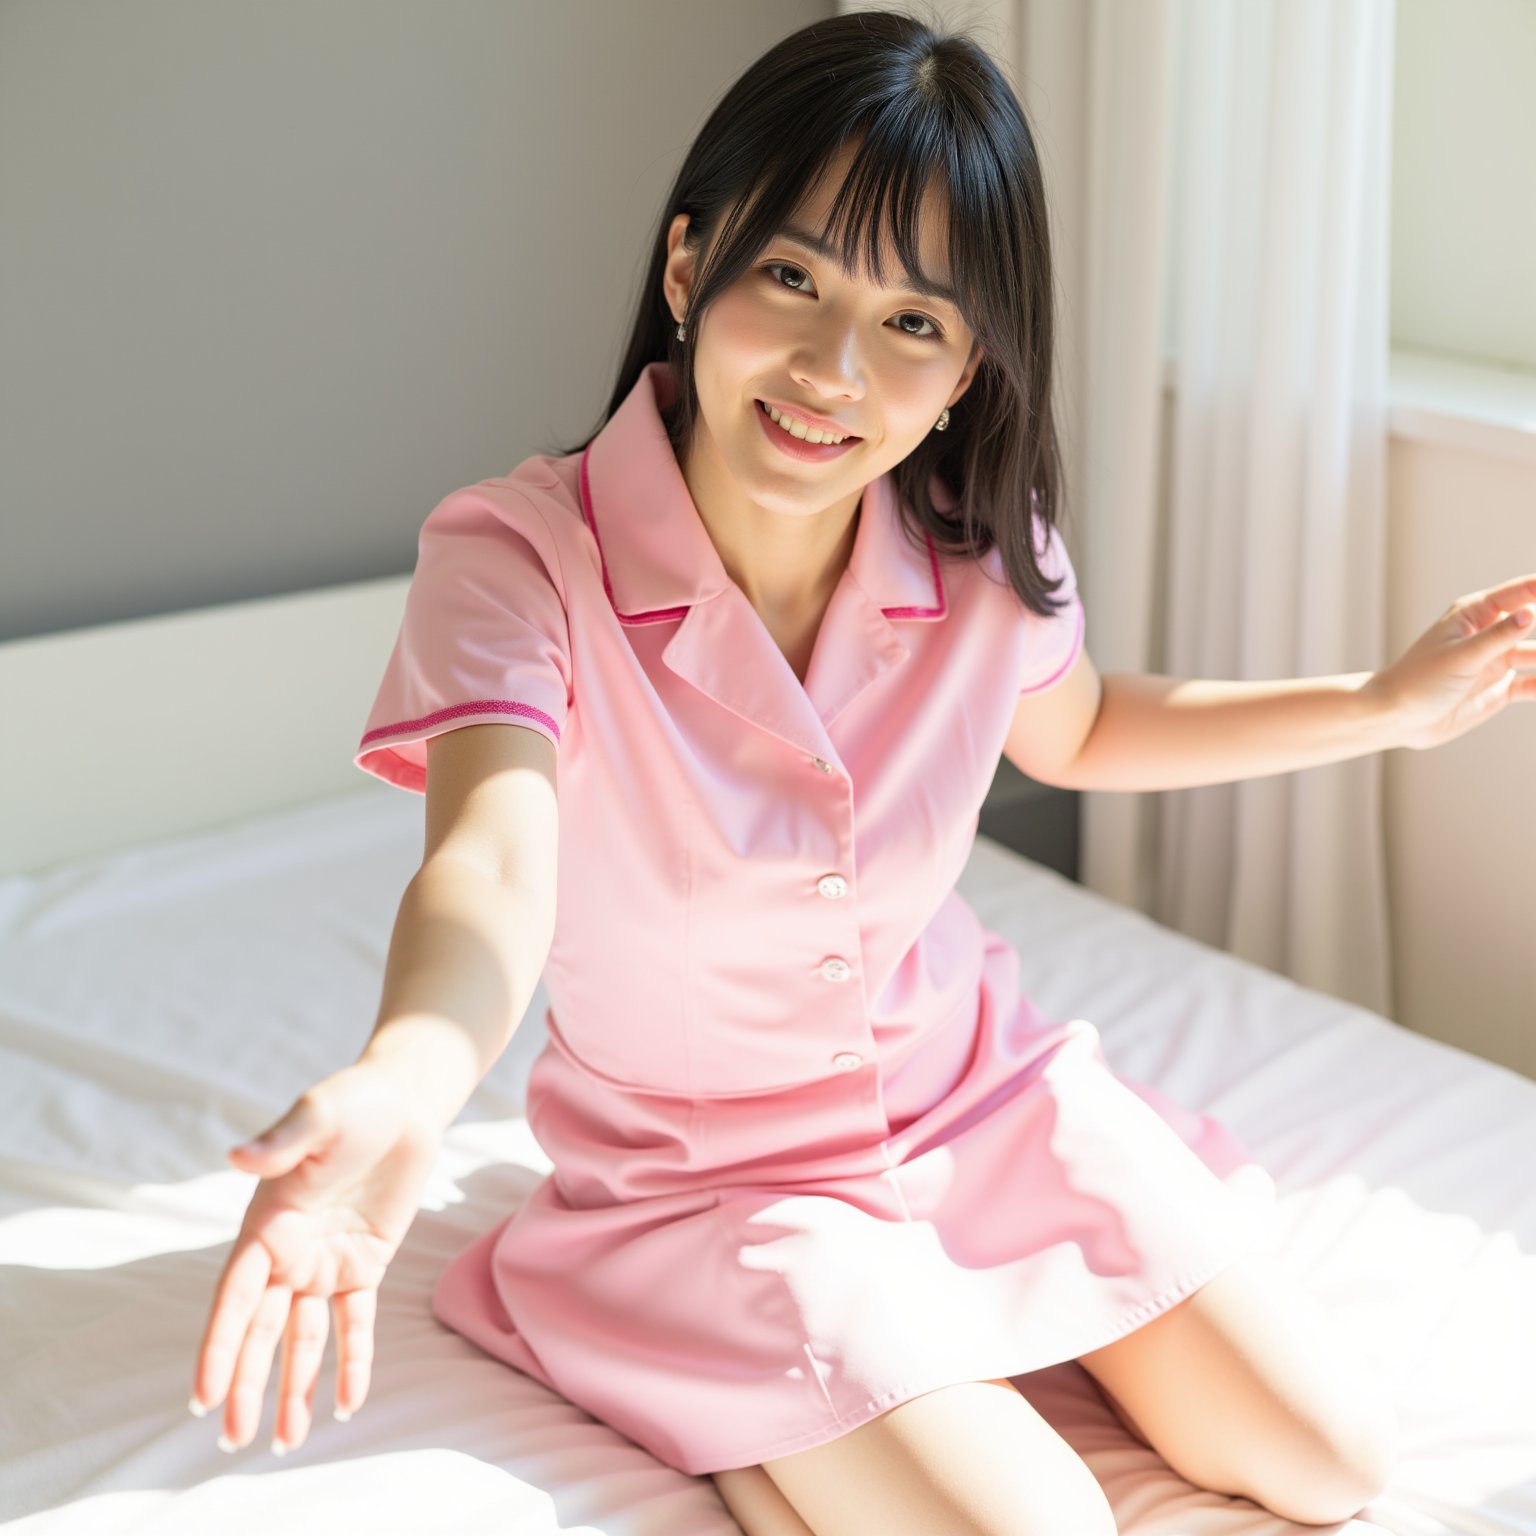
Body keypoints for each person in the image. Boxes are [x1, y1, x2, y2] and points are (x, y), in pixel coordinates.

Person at [189, 10, 1535, 1533]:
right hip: (712, 1182)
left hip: (976, 1097)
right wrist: (412, 1075)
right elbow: (494, 859)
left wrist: (1379, 703)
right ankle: (729, 1401)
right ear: (691, 268)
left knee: (1331, 1455)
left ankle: (913, 1359)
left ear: (968, 369)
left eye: (915, 323)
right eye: (793, 278)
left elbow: (1081, 729)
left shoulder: (978, 548)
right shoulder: (516, 561)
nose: (838, 369)